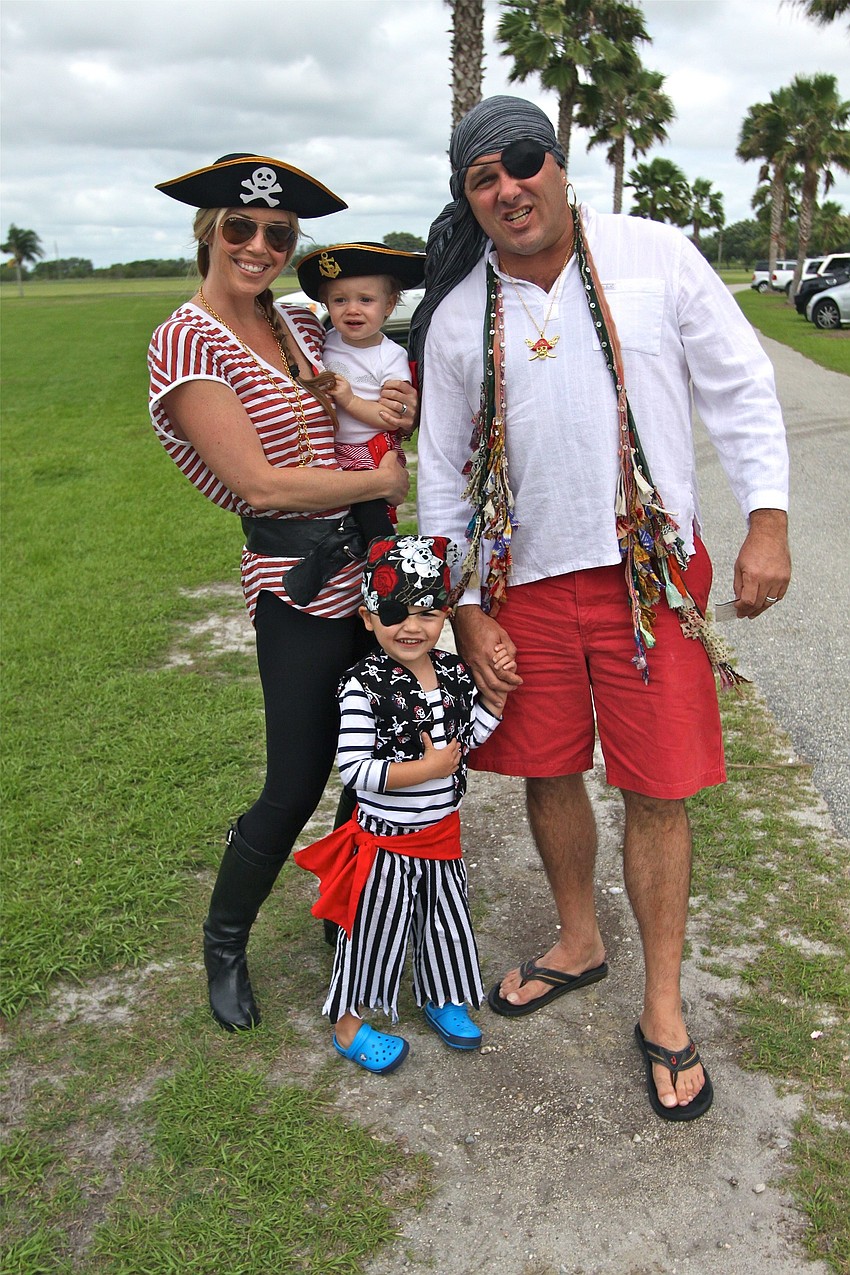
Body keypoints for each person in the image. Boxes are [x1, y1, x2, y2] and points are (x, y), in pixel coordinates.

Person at [411, 97, 791, 1121]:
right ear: (469, 197)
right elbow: (441, 479)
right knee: (543, 769)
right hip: (517, 587)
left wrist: (766, 520)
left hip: (647, 573)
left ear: (559, 164)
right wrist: (464, 610)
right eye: (481, 176)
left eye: (522, 161)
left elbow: (742, 387)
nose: (507, 186)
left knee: (657, 786)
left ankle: (661, 1005)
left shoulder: (653, 256)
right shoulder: (456, 316)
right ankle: (579, 939)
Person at [148, 152, 414, 1032]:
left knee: (374, 760)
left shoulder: (301, 322)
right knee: (295, 779)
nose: (259, 245)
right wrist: (383, 482)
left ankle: (344, 915)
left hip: (369, 569)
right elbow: (259, 485)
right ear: (209, 233)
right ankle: (224, 941)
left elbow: (364, 375)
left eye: (278, 233)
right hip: (296, 580)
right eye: (240, 227)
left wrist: (395, 403)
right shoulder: (184, 339)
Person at [294, 535, 512, 1074]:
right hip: (387, 845)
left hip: (443, 840)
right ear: (368, 618)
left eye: (426, 612)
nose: (411, 626)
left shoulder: (455, 675)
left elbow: (469, 739)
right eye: (394, 613)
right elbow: (356, 771)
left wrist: (495, 701)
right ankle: (348, 1027)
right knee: (372, 931)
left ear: (444, 616)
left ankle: (441, 997)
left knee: (444, 925)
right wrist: (426, 770)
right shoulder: (361, 687)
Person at [295, 242, 425, 542]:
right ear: (326, 305)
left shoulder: (389, 355)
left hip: (370, 450)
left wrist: (349, 400)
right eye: (340, 300)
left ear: (389, 305)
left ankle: (383, 557)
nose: (352, 309)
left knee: (369, 510)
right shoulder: (323, 342)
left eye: (366, 300)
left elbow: (391, 417)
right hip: (329, 450)